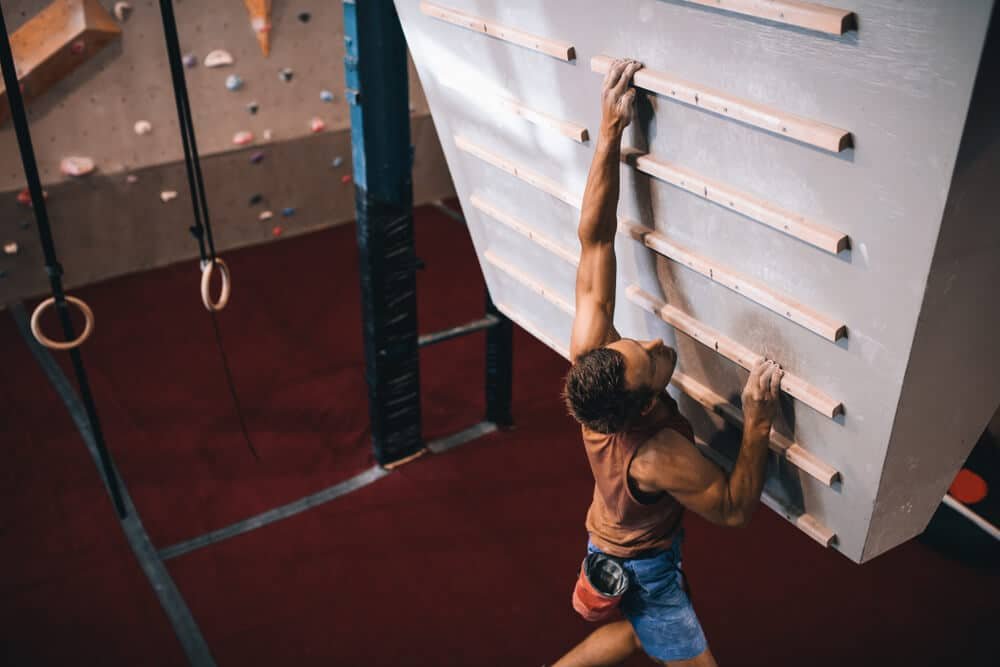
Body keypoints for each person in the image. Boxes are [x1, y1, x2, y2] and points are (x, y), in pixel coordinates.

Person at [552, 59, 785, 667]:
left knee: (630, 635)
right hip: (645, 569)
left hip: (606, 540)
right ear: (642, 407)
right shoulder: (657, 455)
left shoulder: (592, 367)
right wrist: (757, 420)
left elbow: (595, 240)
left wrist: (609, 132)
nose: (656, 347)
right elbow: (733, 510)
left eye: (638, 346)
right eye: (652, 365)